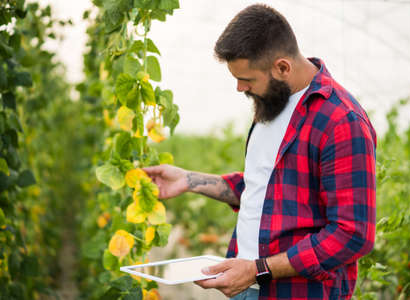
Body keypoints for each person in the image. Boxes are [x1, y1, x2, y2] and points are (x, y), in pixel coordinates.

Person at [143, 4, 376, 300]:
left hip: (298, 293)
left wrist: (258, 269)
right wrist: (189, 181)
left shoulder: (341, 121)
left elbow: (352, 235)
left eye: (248, 79)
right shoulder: (271, 105)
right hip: (248, 285)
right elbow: (263, 188)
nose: (240, 87)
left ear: (282, 67)